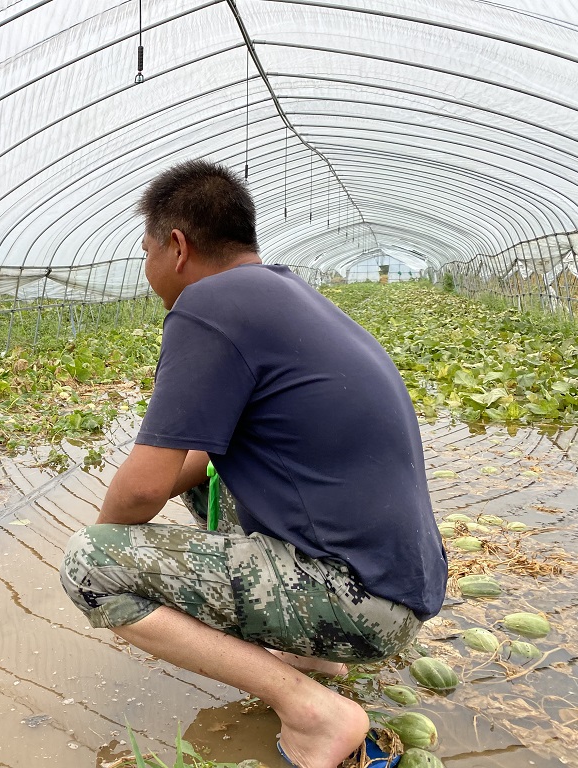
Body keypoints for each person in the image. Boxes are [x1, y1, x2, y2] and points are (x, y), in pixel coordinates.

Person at [61, 160, 447, 768]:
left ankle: (312, 710)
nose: (146, 269)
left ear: (178, 246)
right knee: (208, 481)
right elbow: (193, 463)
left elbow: (139, 492)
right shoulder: (284, 294)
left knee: (90, 566)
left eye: (146, 251)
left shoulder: (207, 305)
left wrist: (110, 541)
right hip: (400, 587)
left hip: (360, 602)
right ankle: (310, 655)